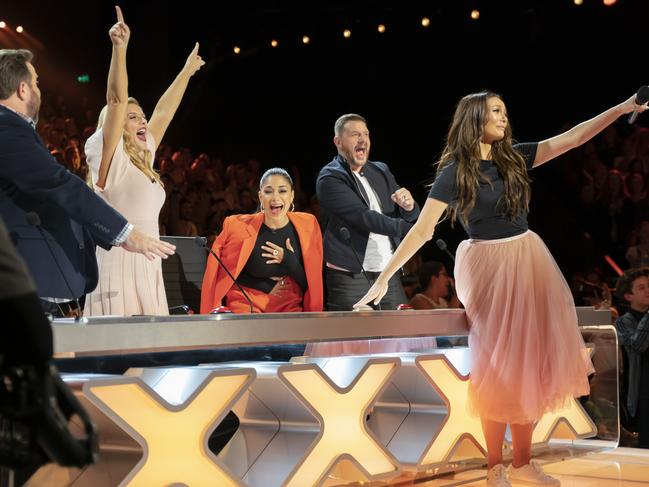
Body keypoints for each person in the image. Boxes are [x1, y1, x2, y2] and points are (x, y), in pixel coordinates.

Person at [355, 90, 647, 486]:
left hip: (527, 259)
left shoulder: (515, 157)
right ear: (475, 118)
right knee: (498, 365)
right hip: (488, 266)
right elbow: (422, 229)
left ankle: (523, 463)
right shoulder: (455, 171)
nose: (503, 118)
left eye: (504, 112)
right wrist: (386, 276)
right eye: (496, 111)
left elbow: (574, 137)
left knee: (529, 361)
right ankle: (496, 466)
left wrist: (625, 106)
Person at [0, 49, 175, 317]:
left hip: (136, 258)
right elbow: (58, 183)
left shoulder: (12, 128)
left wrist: (186, 71)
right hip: (29, 272)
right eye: (36, 82)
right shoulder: (7, 127)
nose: (38, 89)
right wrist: (125, 233)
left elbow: (164, 113)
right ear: (23, 89)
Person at [84, 6, 204, 316]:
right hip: (119, 261)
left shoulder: (143, 155)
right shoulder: (110, 154)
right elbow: (116, 99)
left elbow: (164, 112)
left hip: (147, 262)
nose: (143, 121)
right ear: (113, 124)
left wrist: (187, 71)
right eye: (132, 116)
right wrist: (119, 50)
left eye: (142, 116)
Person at [316, 113, 420, 311]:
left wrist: (410, 207)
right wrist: (414, 230)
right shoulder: (329, 178)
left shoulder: (381, 170)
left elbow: (408, 213)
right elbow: (364, 217)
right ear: (338, 142)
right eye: (355, 134)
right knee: (353, 338)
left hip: (388, 273)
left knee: (396, 337)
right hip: (350, 278)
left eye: (366, 134)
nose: (363, 139)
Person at [200, 168, 323, 314]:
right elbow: (225, 275)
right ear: (260, 196)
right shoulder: (237, 226)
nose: (275, 197)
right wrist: (265, 286)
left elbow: (310, 284)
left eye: (282, 191)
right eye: (268, 191)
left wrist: (288, 260)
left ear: (292, 196)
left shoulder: (307, 225)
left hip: (288, 306)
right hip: (246, 303)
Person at [615, 268, 649, 449]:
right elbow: (638, 346)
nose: (648, 290)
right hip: (640, 390)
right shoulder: (622, 322)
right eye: (642, 288)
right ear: (628, 296)